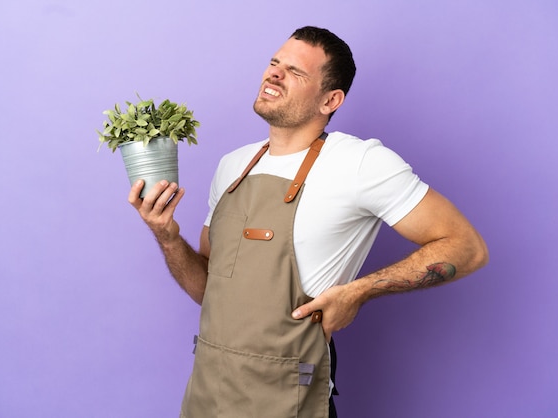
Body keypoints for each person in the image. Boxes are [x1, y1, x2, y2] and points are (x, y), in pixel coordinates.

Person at [128, 26, 488, 418]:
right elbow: (207, 290)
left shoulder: (360, 163)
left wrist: (358, 292)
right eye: (274, 63)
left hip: (288, 400)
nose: (274, 74)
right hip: (207, 396)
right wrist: (167, 236)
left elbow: (466, 247)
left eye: (296, 73)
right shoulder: (232, 166)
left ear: (330, 100)